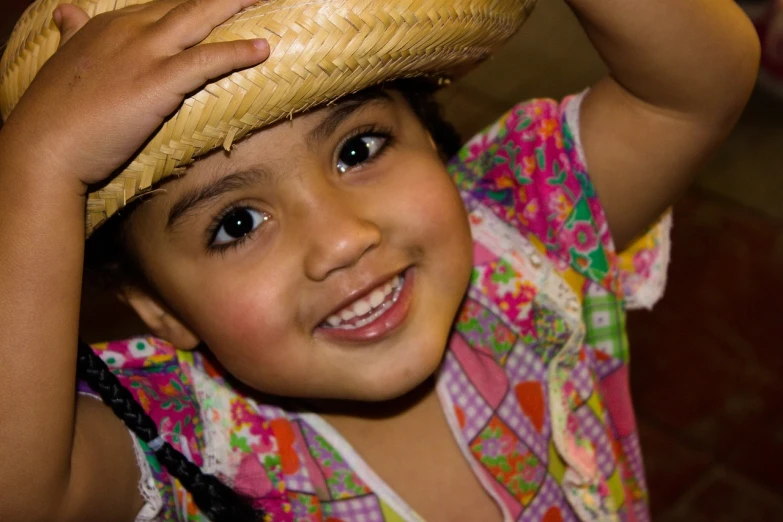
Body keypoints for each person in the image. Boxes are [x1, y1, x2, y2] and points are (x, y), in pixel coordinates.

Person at [0, 0, 760, 521]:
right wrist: (42, 163)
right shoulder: (182, 438)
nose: (341, 239)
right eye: (236, 223)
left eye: (357, 148)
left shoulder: (518, 238)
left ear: (429, 135)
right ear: (158, 307)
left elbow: (695, 87)